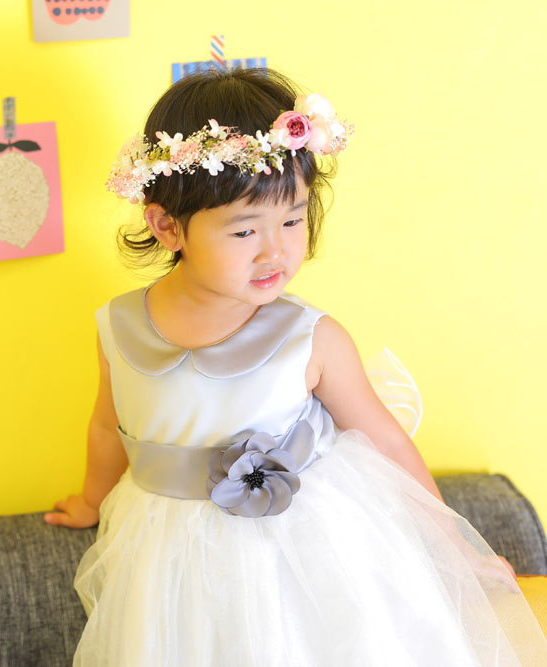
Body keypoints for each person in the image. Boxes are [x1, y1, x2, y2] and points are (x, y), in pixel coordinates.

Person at [44, 68, 547, 666]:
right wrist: (92, 500)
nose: (276, 251)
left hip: (305, 554)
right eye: (244, 230)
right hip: (169, 558)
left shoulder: (312, 338)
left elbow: (385, 440)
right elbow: (109, 427)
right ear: (166, 226)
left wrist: (456, 548)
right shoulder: (118, 326)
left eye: (291, 220)